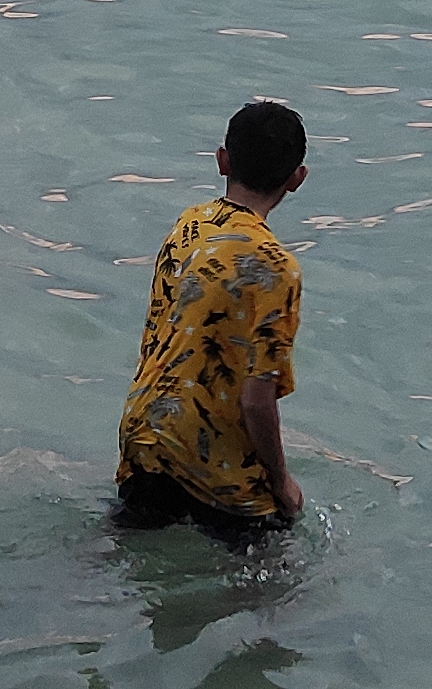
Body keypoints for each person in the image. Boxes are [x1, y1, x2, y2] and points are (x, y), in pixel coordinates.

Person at [116, 98, 309, 546]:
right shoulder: (277, 267)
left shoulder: (189, 224)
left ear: (222, 160)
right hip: (211, 460)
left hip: (146, 431)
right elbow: (257, 401)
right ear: (297, 177)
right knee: (279, 586)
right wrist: (281, 483)